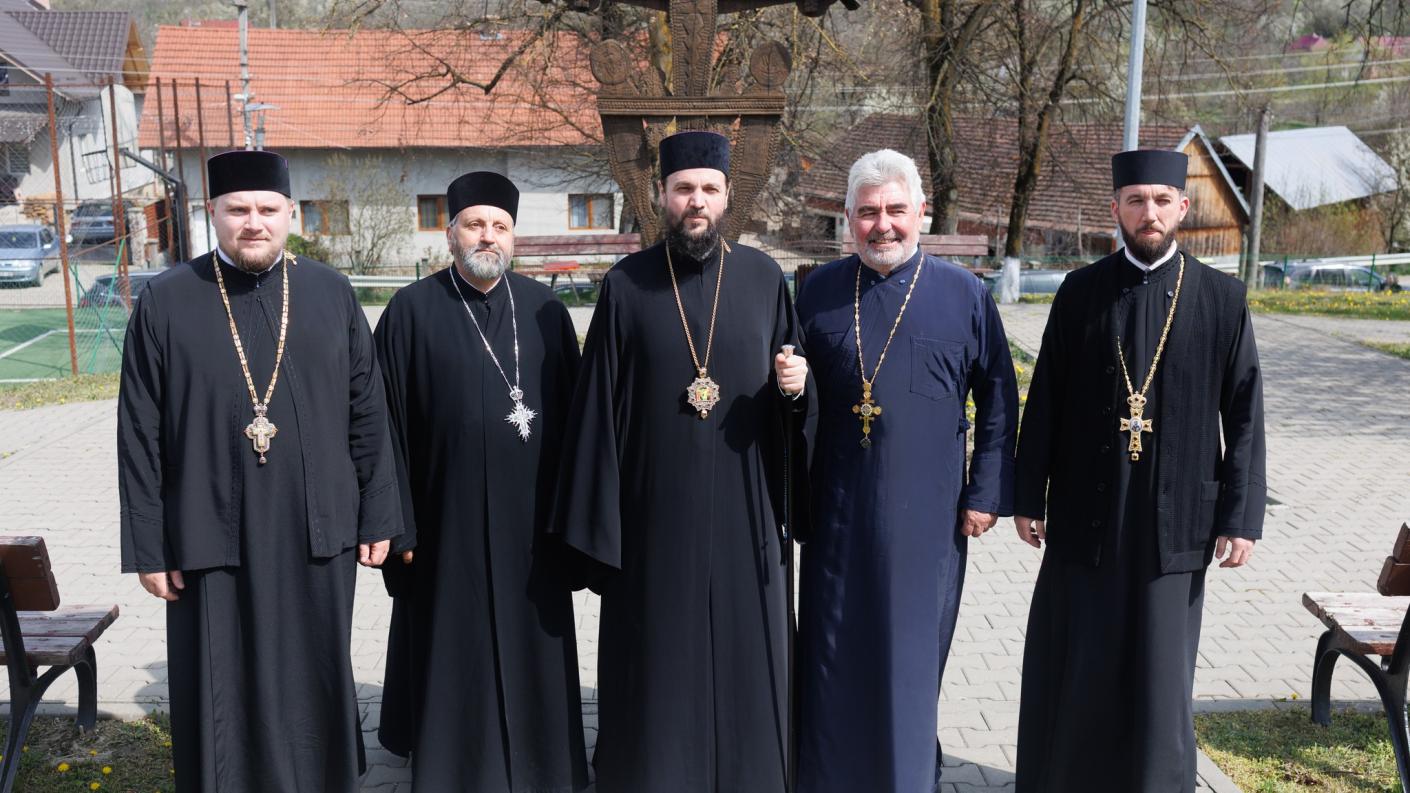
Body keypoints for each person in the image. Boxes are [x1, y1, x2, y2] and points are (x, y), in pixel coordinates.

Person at [117, 149, 402, 792]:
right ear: (210, 213)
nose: (254, 222)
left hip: (317, 524)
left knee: (315, 670)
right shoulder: (165, 301)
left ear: (291, 214)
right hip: (205, 525)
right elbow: (137, 432)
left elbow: (368, 409)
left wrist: (379, 511)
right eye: (237, 209)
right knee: (221, 674)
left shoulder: (330, 293)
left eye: (268, 209)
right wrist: (148, 545)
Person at [552, 129, 810, 793]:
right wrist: (600, 532)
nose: (697, 201)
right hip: (653, 516)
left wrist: (796, 391)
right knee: (656, 660)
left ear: (728, 197)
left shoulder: (761, 279)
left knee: (748, 659)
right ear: (661, 196)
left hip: (747, 511)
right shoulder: (627, 286)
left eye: (709, 189)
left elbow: (796, 398)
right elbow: (596, 412)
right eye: (683, 188)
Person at [1013, 149, 1266, 793]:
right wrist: (1028, 492)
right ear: (1115, 210)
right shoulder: (1081, 292)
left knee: (1159, 672)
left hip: (1175, 517)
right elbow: (1046, 398)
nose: (1147, 213)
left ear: (1183, 207)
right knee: (1082, 661)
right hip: (1086, 512)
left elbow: (1244, 414)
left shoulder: (1221, 297)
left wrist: (1241, 516)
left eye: (1160, 201)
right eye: (1135, 201)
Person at [792, 148, 1018, 793]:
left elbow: (999, 398)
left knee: (910, 659)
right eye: (868, 213)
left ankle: (906, 775)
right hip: (838, 508)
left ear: (922, 212)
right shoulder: (818, 291)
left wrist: (987, 493)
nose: (882, 225)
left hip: (929, 515)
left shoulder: (964, 295)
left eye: (895, 210)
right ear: (847, 219)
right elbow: (794, 400)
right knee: (834, 652)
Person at [374, 171, 588, 791]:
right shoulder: (411, 312)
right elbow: (382, 426)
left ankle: (544, 756)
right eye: (475, 224)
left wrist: (571, 517)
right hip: (444, 518)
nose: (487, 237)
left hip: (532, 521)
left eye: (499, 226)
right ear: (450, 235)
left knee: (533, 639)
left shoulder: (547, 310)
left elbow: (575, 418)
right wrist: (396, 521)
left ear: (513, 236)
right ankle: (453, 759)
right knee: (449, 640)